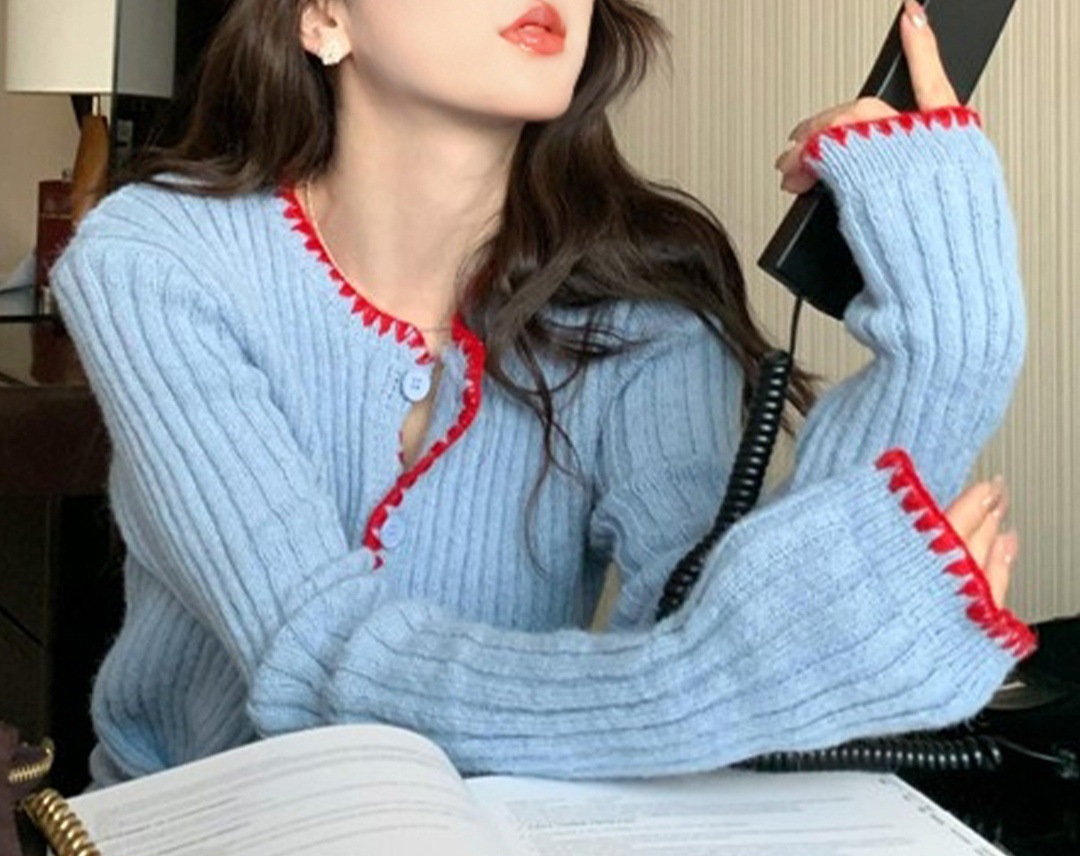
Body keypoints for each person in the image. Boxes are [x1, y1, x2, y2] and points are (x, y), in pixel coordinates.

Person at [52, 0, 1033, 787]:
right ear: (322, 16)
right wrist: (709, 678)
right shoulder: (156, 261)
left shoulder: (645, 304)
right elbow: (317, 657)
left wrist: (951, 351)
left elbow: (711, 636)